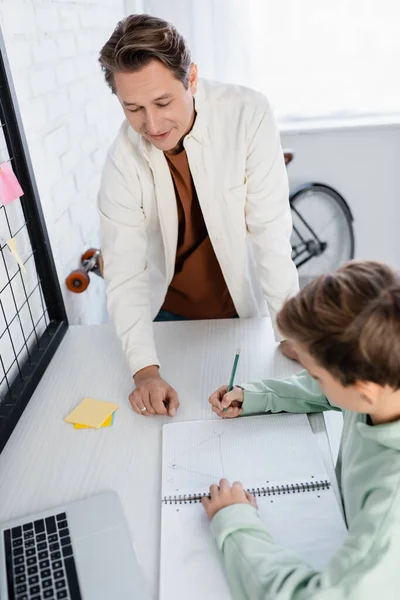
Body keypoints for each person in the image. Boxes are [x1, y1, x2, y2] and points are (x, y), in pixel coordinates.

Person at [98, 14, 299, 418]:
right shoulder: (123, 159)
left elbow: (270, 233)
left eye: (162, 102)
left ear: (190, 79)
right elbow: (124, 272)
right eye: (132, 108)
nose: (151, 125)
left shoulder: (248, 114)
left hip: (239, 310)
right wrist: (145, 372)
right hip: (166, 319)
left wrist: (291, 330)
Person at [205, 260, 400, 599]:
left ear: (363, 391)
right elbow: (331, 393)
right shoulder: (385, 383)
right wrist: (258, 396)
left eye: (316, 374)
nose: (311, 378)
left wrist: (234, 523)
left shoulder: (390, 512)